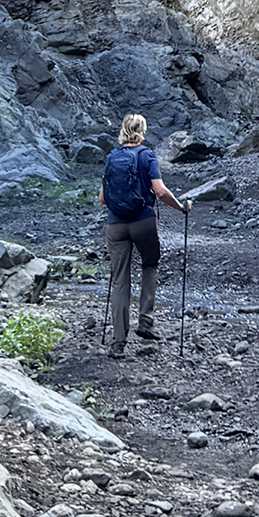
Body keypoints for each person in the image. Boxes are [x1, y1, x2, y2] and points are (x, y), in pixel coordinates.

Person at [100, 112, 190, 355]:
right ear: (142, 132)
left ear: (123, 131)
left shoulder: (111, 158)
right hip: (143, 221)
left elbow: (102, 198)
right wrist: (181, 207)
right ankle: (146, 321)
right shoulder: (147, 155)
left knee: (120, 279)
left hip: (115, 224)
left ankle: (118, 342)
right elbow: (159, 191)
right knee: (150, 264)